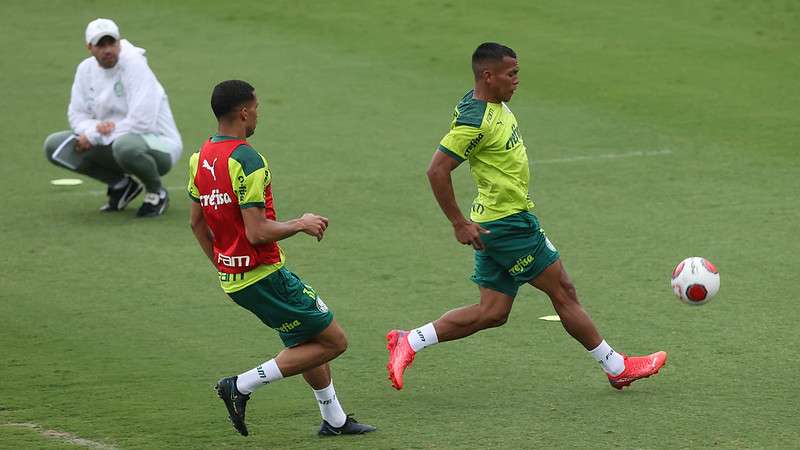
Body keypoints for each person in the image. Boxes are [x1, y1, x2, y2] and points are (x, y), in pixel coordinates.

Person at [386, 43, 667, 392]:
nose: (517, 80)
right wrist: (458, 222)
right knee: (563, 290)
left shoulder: (487, 103)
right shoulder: (476, 122)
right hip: (509, 225)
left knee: (492, 312)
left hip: (493, 221)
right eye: (511, 74)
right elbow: (436, 171)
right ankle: (616, 366)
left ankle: (409, 341)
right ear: (488, 76)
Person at [188, 80, 376, 437]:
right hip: (266, 275)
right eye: (256, 108)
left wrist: (223, 264)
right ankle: (240, 385)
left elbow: (196, 222)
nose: (258, 114)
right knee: (334, 342)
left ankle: (334, 419)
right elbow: (257, 232)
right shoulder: (246, 158)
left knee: (305, 341)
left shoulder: (201, 157)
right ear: (244, 111)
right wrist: (301, 223)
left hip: (235, 280)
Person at [44, 18, 182, 217]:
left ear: (119, 42)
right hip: (115, 141)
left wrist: (95, 135)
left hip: (160, 144)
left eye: (112, 43)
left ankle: (156, 192)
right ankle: (121, 185)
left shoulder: (135, 65)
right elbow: (77, 115)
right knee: (55, 146)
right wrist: (93, 129)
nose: (108, 49)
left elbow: (143, 122)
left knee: (125, 146)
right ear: (89, 47)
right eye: (101, 45)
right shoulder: (85, 70)